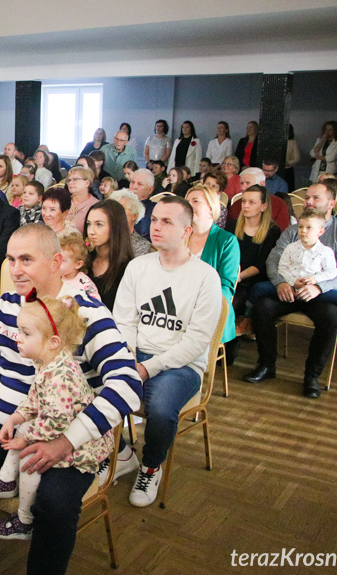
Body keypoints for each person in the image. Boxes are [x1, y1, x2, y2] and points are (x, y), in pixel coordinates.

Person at [0, 224, 141, 575]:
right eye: (11, 259)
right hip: (5, 427)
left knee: (54, 504)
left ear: (57, 261)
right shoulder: (0, 310)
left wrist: (65, 442)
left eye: (26, 259)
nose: (14, 270)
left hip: (66, 437)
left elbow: (127, 386)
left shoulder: (83, 316)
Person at [113, 196, 221, 507]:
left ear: (187, 230)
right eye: (155, 219)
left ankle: (150, 466)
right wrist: (129, 357)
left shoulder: (204, 277)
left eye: (166, 222)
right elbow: (124, 320)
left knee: (159, 407)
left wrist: (149, 367)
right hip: (137, 354)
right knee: (89, 383)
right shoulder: (138, 266)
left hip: (182, 365)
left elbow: (197, 341)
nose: (155, 227)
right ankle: (122, 454)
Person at [0, 293, 112, 540]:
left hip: (77, 446)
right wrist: (16, 417)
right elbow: (35, 398)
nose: (17, 339)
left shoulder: (61, 376)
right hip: (57, 428)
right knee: (23, 434)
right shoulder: (47, 362)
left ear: (52, 341)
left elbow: (56, 421)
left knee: (31, 460)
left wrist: (25, 438)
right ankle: (6, 480)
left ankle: (24, 520)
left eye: (26, 334)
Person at [244, 182, 337, 398]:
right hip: (289, 288)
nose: (308, 202)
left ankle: (311, 376)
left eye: (315, 198)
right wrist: (280, 282)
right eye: (307, 197)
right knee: (263, 306)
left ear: (331, 203)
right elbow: (274, 259)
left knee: (331, 317)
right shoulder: (293, 230)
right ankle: (266, 365)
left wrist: (318, 287)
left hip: (321, 295)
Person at [242, 209, 337, 354]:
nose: (303, 231)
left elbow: (332, 272)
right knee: (258, 288)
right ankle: (247, 318)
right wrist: (292, 282)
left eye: (309, 228)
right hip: (291, 288)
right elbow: (282, 267)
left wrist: (315, 281)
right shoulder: (291, 247)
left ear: (320, 232)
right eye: (300, 227)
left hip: (314, 291)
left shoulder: (326, 252)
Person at [185, 184, 240, 362]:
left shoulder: (227, 241)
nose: (188, 205)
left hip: (209, 306)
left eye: (195, 201)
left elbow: (226, 286)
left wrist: (199, 304)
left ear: (211, 208)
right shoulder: (179, 235)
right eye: (186, 201)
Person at [228, 185, 282, 328]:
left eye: (252, 202)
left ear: (263, 206)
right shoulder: (232, 225)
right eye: (244, 201)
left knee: (232, 306)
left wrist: (238, 277)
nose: (245, 206)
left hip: (251, 281)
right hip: (230, 276)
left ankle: (226, 346)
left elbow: (262, 264)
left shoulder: (272, 231)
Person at [84, 199, 135, 310]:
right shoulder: (82, 259)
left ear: (115, 227)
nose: (91, 231)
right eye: (89, 224)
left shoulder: (128, 268)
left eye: (99, 224)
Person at [110, 189, 154, 258]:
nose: (115, 212)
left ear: (135, 216)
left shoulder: (141, 245)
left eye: (121, 209)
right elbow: (87, 244)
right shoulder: (103, 235)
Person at [59, 234, 99, 300]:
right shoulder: (56, 277)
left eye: (62, 260)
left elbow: (95, 304)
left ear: (78, 264)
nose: (57, 263)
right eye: (56, 259)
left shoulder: (85, 284)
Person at [66, 166, 98, 235]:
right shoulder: (63, 201)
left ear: (87, 183)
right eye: (69, 180)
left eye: (75, 179)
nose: (71, 183)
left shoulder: (96, 205)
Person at [129, 168, 157, 241]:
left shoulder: (155, 210)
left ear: (150, 190)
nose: (134, 187)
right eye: (132, 182)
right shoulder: (120, 203)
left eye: (140, 184)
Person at [284, 124, 301, 191]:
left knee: (288, 190)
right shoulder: (274, 141)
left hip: (287, 170)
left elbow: (297, 158)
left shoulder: (292, 142)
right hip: (275, 170)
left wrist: (287, 163)